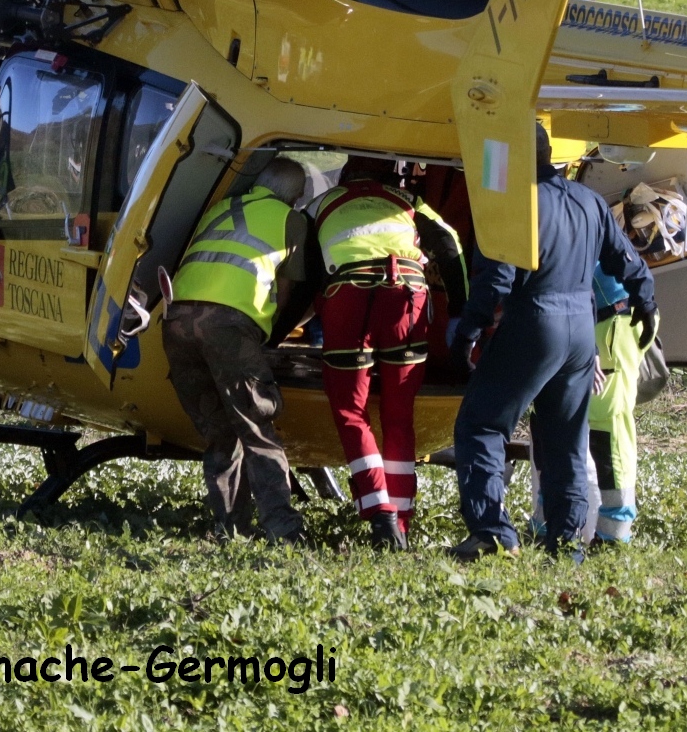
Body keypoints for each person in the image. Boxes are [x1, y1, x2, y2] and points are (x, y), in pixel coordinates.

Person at [448, 123, 656, 560]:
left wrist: (467, 332)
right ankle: (565, 544)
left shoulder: (514, 205)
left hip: (533, 324)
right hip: (581, 333)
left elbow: (497, 279)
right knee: (565, 439)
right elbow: (628, 262)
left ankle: (492, 534)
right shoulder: (589, 201)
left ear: (516, 159)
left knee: (482, 425)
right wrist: (646, 304)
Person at [309, 156, 466, 550]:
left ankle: (379, 513)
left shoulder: (323, 203)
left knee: (350, 411)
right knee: (400, 416)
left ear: (347, 173)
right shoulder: (409, 200)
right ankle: (403, 520)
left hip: (347, 296)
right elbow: (449, 248)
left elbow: (306, 270)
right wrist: (461, 309)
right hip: (407, 297)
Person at [163, 158, 311, 544]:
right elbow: (287, 291)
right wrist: (271, 335)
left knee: (219, 432)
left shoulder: (221, 207)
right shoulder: (289, 219)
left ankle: (230, 528)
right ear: (295, 196)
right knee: (256, 427)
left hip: (176, 321)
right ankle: (284, 530)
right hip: (227, 327)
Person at [530, 265, 650, 545]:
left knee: (605, 425)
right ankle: (549, 518)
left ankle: (614, 532)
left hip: (608, 317)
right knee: (548, 414)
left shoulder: (564, 223)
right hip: (576, 314)